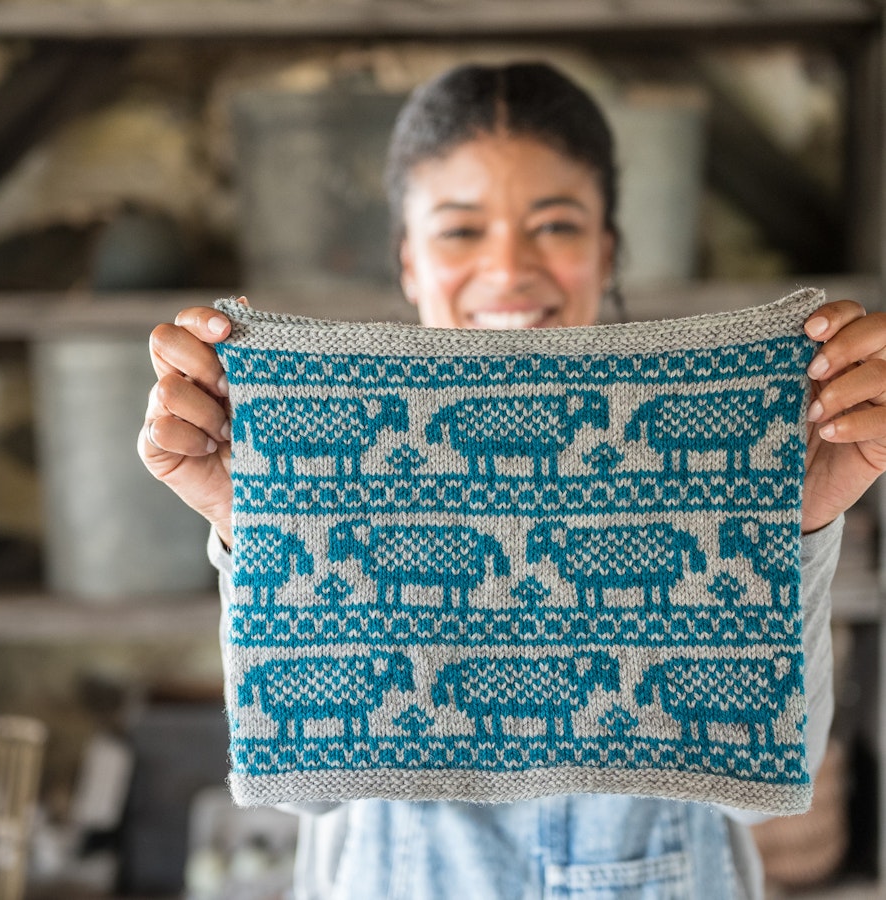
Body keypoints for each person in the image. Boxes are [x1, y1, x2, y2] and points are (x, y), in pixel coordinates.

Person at [139, 62, 886, 899]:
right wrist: (252, 521)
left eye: (556, 225)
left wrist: (800, 524)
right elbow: (305, 780)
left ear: (607, 251)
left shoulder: (726, 457)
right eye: (460, 230)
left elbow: (771, 784)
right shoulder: (320, 465)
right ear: (409, 262)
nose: (508, 266)